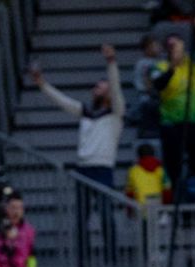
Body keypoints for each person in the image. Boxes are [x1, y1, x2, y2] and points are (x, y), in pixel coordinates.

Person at [32, 44, 126, 190]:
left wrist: (111, 62)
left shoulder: (116, 113)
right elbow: (63, 101)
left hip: (103, 166)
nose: (95, 89)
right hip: (83, 166)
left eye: (100, 87)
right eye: (95, 87)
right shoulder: (85, 111)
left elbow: (116, 87)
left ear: (108, 93)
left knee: (105, 210)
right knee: (82, 211)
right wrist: (42, 85)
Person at [153, 31, 195, 187]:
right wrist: (172, 68)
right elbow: (158, 84)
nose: (175, 49)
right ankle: (175, 194)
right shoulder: (159, 66)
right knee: (173, 166)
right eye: (171, 46)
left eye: (178, 45)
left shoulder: (193, 64)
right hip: (172, 122)